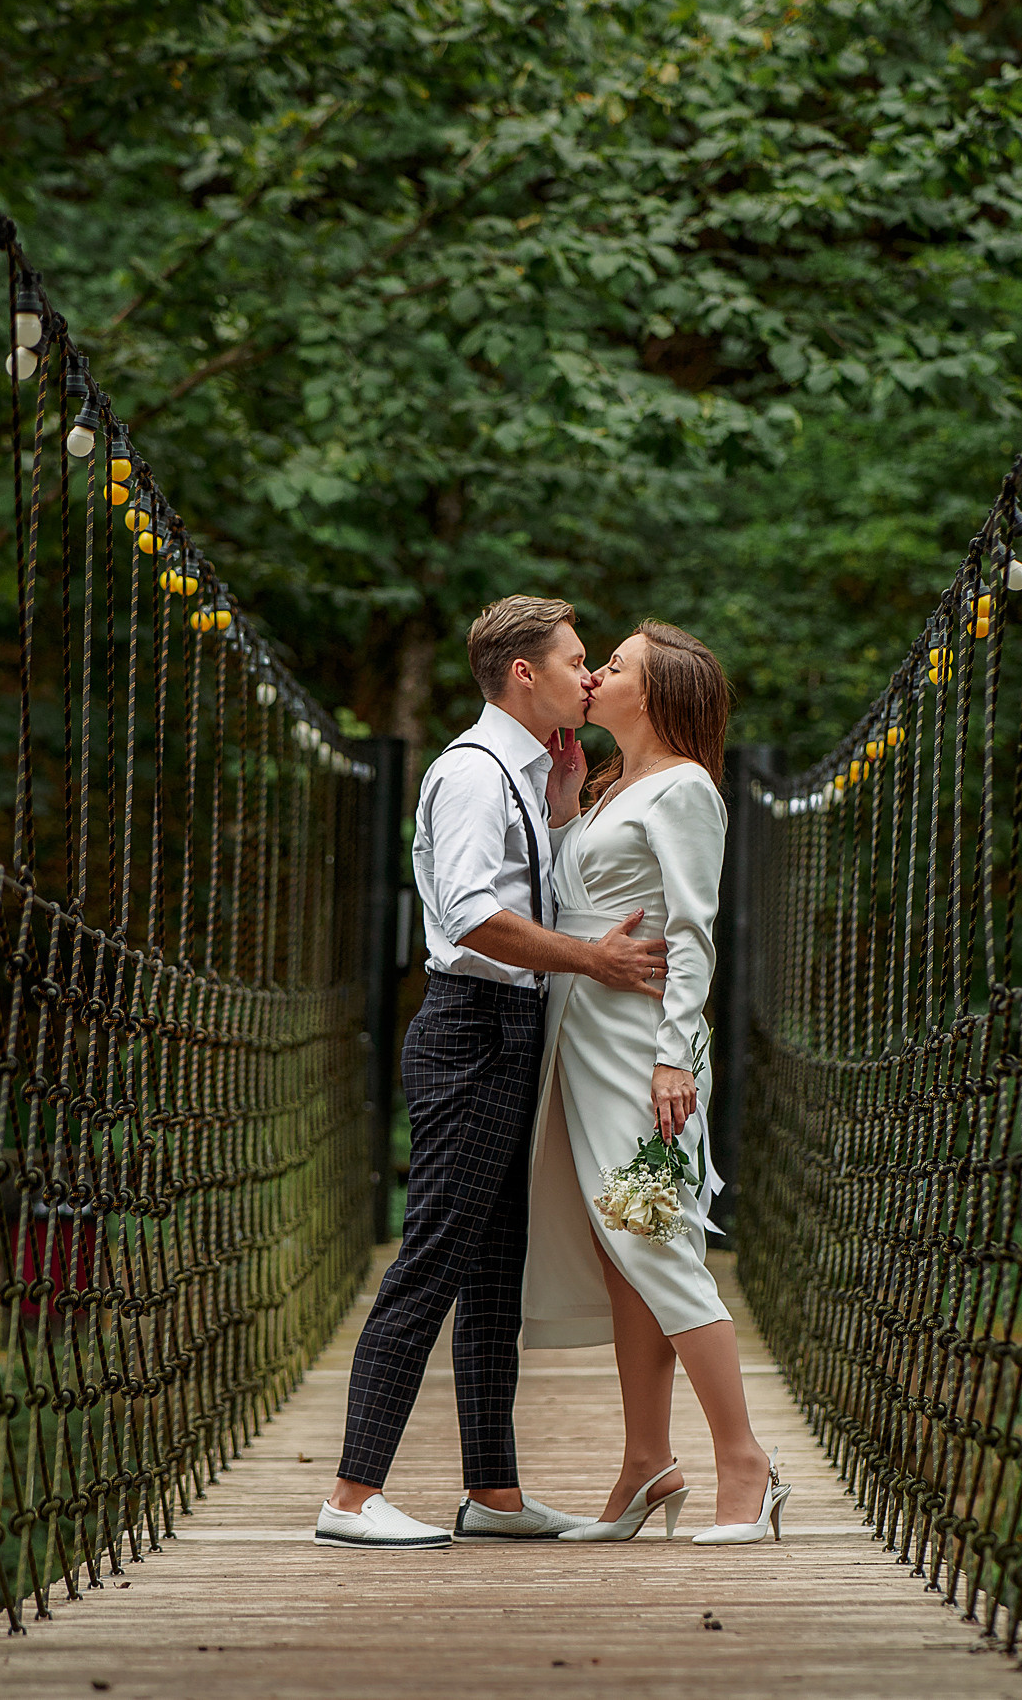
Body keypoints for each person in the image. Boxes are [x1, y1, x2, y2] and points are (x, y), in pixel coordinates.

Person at [314, 596, 671, 1550]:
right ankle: (350, 1496)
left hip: (510, 1029)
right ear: (526, 674)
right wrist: (593, 958)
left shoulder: (524, 773)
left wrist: (559, 815)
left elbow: (510, 891)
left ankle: (493, 1495)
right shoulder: (472, 774)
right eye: (574, 661)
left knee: (492, 1276)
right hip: (473, 1031)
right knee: (430, 1260)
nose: (587, 676)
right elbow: (471, 917)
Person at [524, 622, 789, 1546]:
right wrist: (563, 808)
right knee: (619, 1248)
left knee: (658, 1241)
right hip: (582, 1036)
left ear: (659, 692)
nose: (594, 673)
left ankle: (746, 1463)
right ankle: (646, 1461)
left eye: (616, 665)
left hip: (642, 1047)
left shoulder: (685, 791)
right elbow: (580, 903)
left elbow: (694, 928)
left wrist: (676, 1053)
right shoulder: (609, 787)